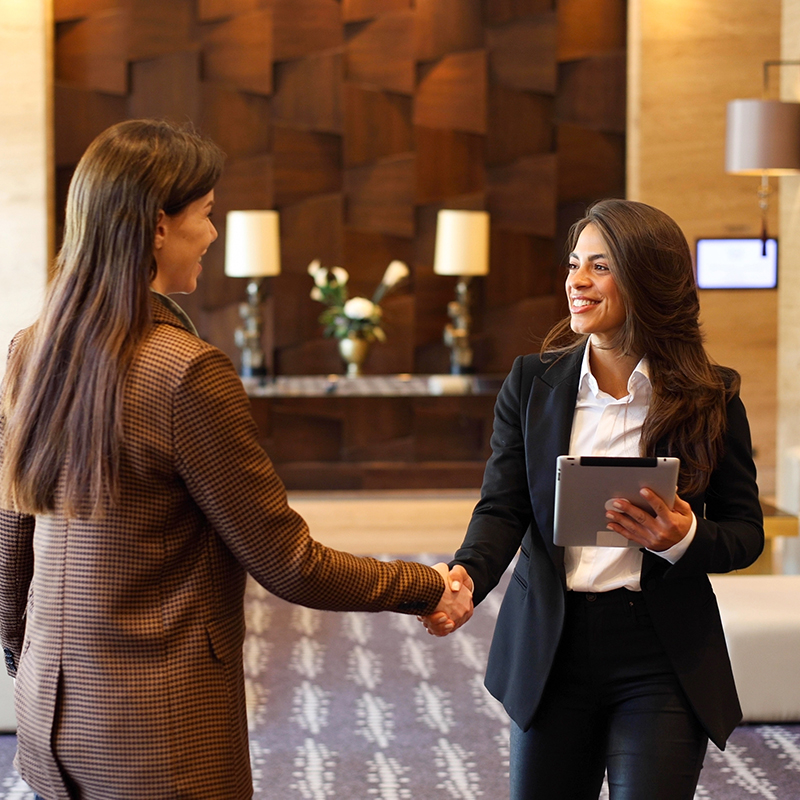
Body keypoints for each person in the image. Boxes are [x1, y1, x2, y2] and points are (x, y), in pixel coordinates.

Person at [0, 119, 472, 800]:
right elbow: (288, 563)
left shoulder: (29, 350)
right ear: (158, 226)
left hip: (52, 720)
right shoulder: (185, 372)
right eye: (207, 213)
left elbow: (12, 532)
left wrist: (25, 657)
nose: (214, 234)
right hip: (159, 741)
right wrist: (424, 586)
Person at [419, 199, 764, 800]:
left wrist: (683, 537)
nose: (576, 280)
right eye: (575, 263)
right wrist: (467, 576)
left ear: (647, 278)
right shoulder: (532, 383)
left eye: (599, 266)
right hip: (553, 649)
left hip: (661, 652)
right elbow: (503, 507)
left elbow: (745, 533)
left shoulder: (712, 394)